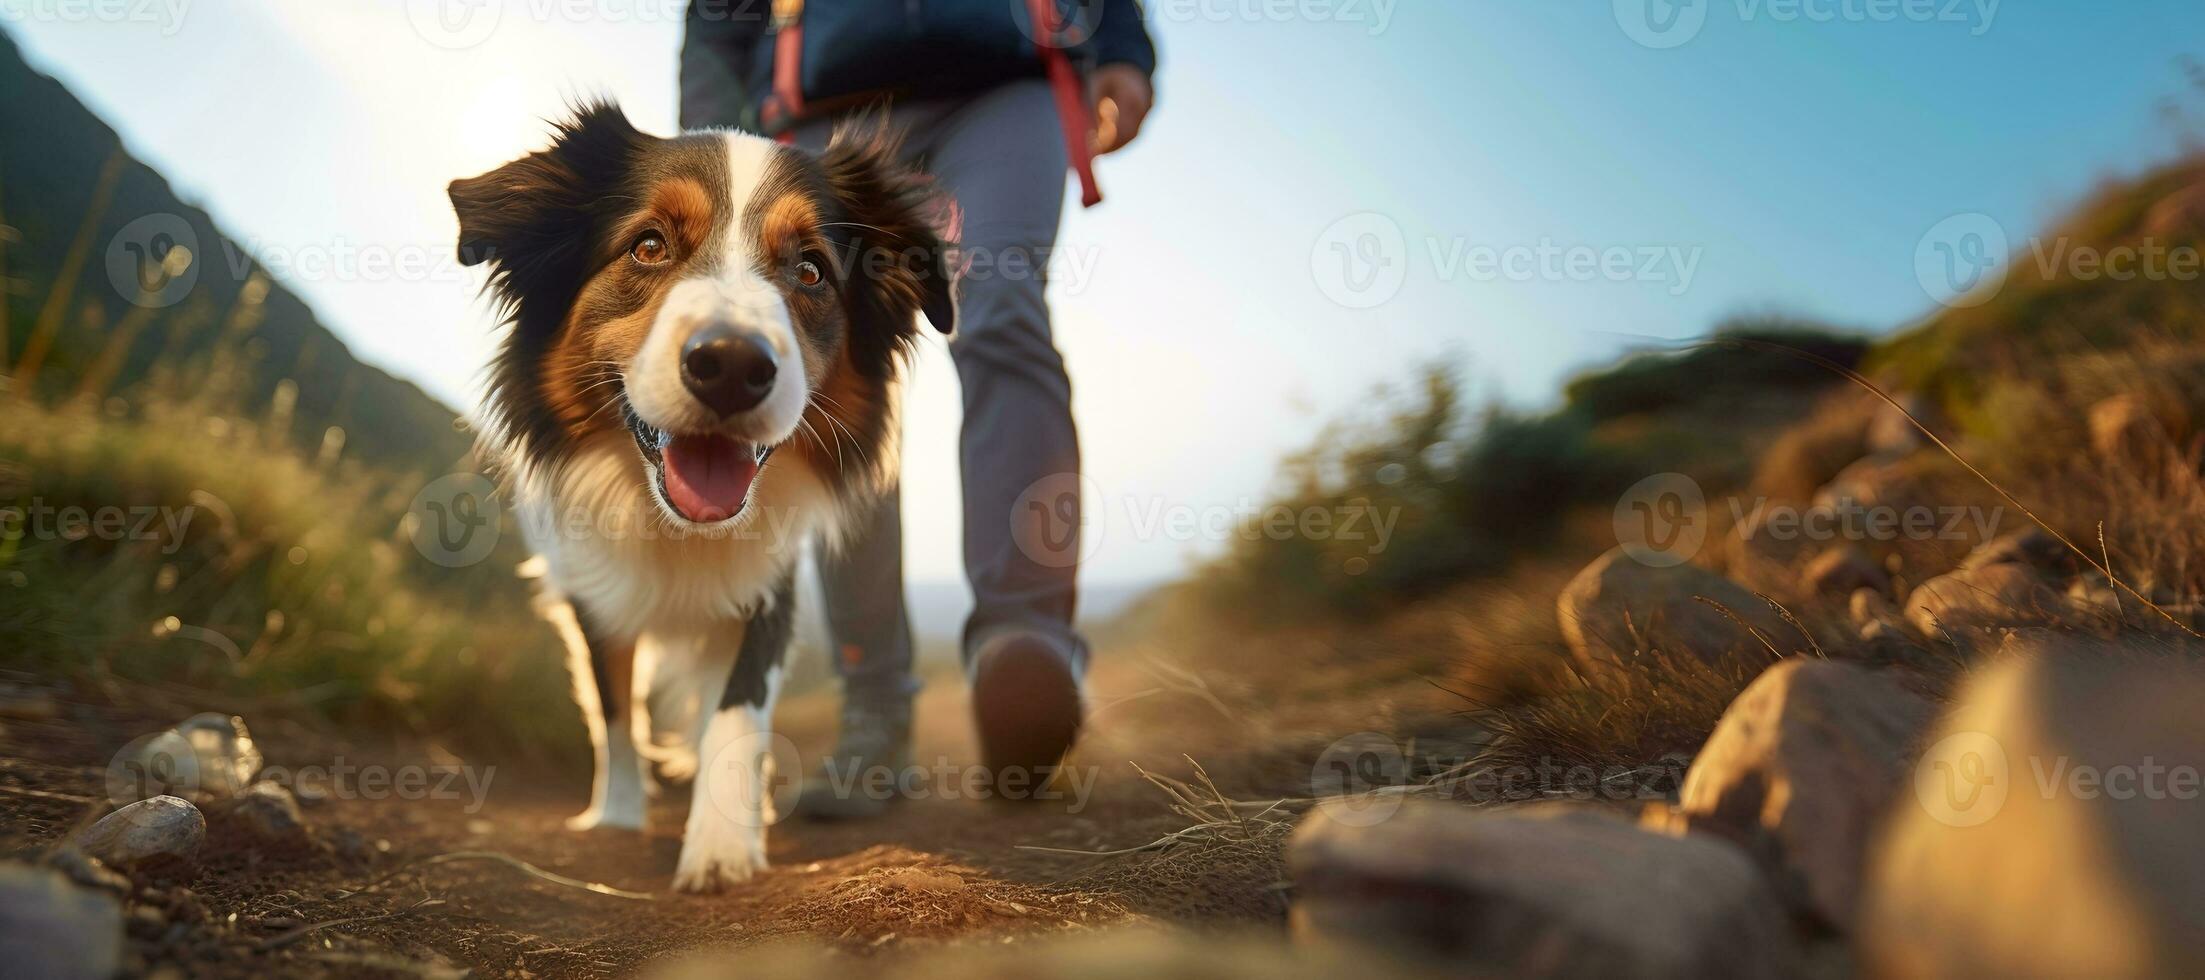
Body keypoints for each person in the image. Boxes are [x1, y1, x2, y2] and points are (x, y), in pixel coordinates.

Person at [679, 0, 1157, 816]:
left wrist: (1122, 45)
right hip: (819, 110)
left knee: (999, 304)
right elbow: (718, 18)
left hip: (1004, 80)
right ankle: (873, 709)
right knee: (841, 376)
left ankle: (1026, 643)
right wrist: (708, 137)